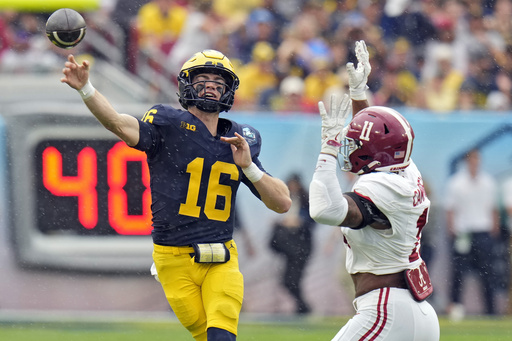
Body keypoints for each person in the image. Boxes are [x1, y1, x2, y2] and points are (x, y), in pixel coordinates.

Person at [60, 49, 291, 341]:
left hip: (221, 256)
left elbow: (282, 202)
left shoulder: (239, 139)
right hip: (172, 258)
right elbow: (118, 123)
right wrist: (86, 89)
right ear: (186, 85)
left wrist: (249, 168)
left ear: (229, 91)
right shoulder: (168, 125)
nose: (211, 86)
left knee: (222, 336)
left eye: (219, 82)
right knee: (204, 335)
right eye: (203, 79)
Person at [308, 40, 439, 340]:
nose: (350, 148)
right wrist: (358, 95)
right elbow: (378, 137)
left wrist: (328, 149)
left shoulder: (381, 185)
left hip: (386, 310)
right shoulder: (406, 169)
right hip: (416, 312)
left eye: (355, 145)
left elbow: (325, 209)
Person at [445, 148, 500, 320]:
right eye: (473, 159)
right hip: (463, 233)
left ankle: (490, 311)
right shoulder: (456, 183)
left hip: (483, 232)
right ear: (467, 161)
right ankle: (456, 310)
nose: (475, 162)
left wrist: (494, 229)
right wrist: (452, 229)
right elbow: (450, 209)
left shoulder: (488, 182)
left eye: (478, 159)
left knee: (487, 274)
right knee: (458, 273)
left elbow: (492, 209)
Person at [269, 173, 315, 314]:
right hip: (290, 245)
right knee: (289, 280)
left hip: (301, 245)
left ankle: (303, 307)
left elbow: (312, 220)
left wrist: (299, 222)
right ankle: (302, 307)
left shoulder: (306, 201)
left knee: (292, 280)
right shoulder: (286, 199)